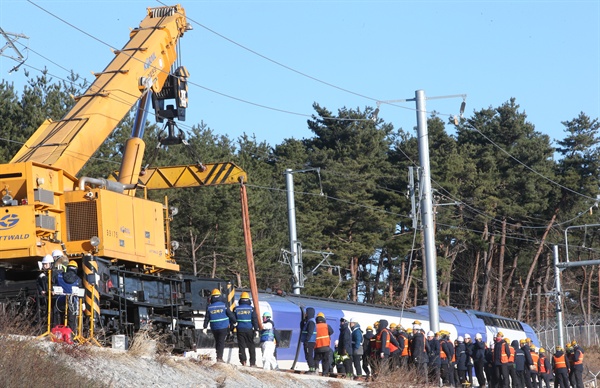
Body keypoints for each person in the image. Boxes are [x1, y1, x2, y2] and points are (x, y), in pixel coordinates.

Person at [203, 288, 236, 363]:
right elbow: (230, 314)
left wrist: (205, 327)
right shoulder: (224, 305)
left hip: (214, 327)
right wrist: (234, 322)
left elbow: (207, 318)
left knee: (217, 341)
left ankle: (218, 355)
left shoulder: (209, 307)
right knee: (221, 342)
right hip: (223, 327)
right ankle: (219, 358)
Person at [52, 259, 82, 333]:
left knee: (57, 319)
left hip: (59, 302)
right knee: (72, 321)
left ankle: (57, 335)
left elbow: (52, 284)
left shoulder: (59, 276)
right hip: (72, 303)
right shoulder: (78, 280)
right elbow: (80, 293)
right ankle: (71, 336)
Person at [233, 292, 259, 366]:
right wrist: (256, 329)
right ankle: (252, 363)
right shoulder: (251, 309)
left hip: (240, 330)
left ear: (240, 300)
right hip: (249, 330)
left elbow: (233, 320)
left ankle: (243, 361)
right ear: (248, 299)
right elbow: (254, 319)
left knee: (241, 346)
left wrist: (232, 329)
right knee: (251, 346)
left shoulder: (236, 309)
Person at [37, 254, 54, 322]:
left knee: (54, 312)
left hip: (53, 296)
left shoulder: (54, 273)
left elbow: (52, 281)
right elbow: (38, 284)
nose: (44, 266)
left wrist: (44, 278)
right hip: (46, 295)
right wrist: (41, 291)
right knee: (48, 311)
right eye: (43, 264)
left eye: (46, 264)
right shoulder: (42, 274)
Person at [300, 307, 317, 373]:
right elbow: (303, 329)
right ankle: (311, 369)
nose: (305, 314)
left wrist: (307, 340)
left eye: (306, 313)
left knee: (309, 355)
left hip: (309, 342)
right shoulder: (308, 321)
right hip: (308, 341)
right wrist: (303, 322)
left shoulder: (311, 322)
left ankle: (312, 370)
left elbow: (310, 332)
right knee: (308, 356)